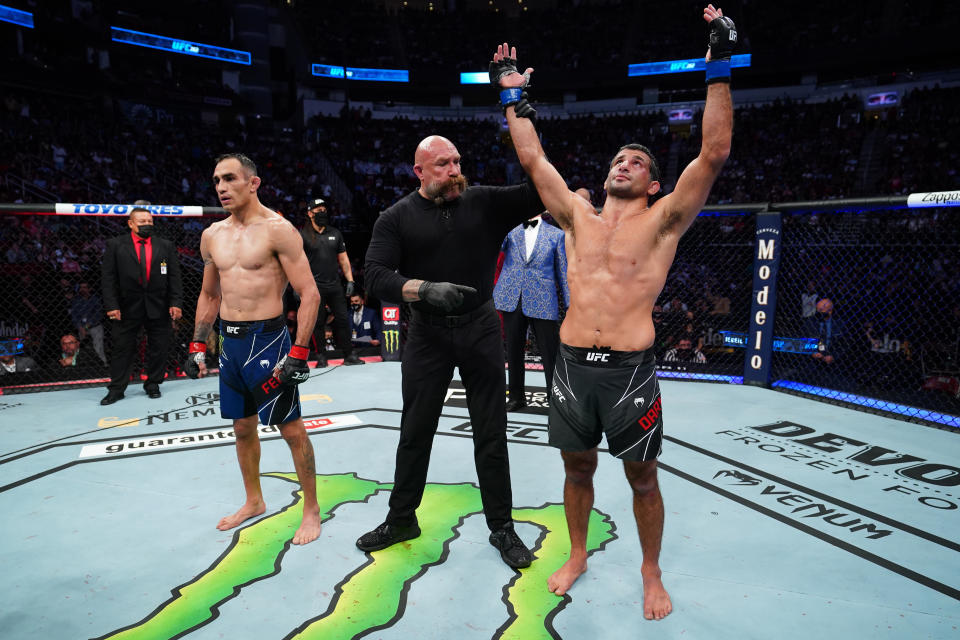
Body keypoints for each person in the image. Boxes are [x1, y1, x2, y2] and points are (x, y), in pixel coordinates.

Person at [492, 3, 734, 619]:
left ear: (654, 183)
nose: (621, 165)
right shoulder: (577, 218)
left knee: (643, 479)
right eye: (616, 161)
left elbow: (712, 153)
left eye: (636, 163)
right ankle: (577, 552)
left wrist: (719, 63)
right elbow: (532, 159)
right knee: (576, 469)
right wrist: (515, 96)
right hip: (572, 366)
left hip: (629, 370)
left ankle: (651, 571)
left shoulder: (663, 223)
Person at [359, 134, 544, 569]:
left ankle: (501, 526)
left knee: (491, 432)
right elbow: (375, 276)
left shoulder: (483, 201)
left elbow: (541, 189)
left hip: (480, 326)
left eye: (457, 161)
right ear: (419, 171)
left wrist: (528, 132)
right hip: (426, 332)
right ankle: (402, 519)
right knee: (415, 430)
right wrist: (422, 289)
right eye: (443, 164)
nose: (454, 170)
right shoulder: (396, 217)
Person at [183, 153, 323, 546]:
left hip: (270, 339)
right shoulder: (212, 235)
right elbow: (210, 294)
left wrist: (299, 352)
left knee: (291, 429)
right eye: (216, 181)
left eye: (230, 178)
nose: (222, 187)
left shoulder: (278, 230)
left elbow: (309, 293)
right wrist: (197, 342)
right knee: (242, 426)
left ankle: (310, 508)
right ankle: (254, 500)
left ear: (253, 182)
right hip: (230, 343)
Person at [100, 200, 183, 405]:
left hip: (159, 305)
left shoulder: (165, 245)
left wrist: (176, 302)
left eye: (149, 220)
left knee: (159, 347)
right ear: (130, 223)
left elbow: (175, 276)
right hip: (126, 306)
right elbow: (108, 278)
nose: (147, 223)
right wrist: (111, 306)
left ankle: (153, 384)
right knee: (122, 348)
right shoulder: (116, 245)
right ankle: (117, 388)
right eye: (142, 221)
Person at [494, 212, 569, 412]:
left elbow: (563, 271)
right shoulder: (510, 231)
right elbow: (493, 246)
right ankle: (516, 397)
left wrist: (570, 304)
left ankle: (555, 401)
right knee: (513, 351)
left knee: (550, 353)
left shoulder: (556, 235)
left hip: (543, 299)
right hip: (511, 296)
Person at [300, 198, 364, 366]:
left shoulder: (335, 233)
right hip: (315, 287)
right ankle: (321, 356)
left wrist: (350, 280)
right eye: (318, 210)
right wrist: (299, 285)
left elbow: (343, 259)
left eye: (324, 210)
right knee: (318, 323)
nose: (322, 213)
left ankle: (349, 355)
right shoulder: (303, 235)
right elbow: (298, 263)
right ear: (310, 213)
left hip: (335, 285)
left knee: (343, 320)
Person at [70, 281, 106, 362]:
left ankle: (103, 363)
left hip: (94, 326)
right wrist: (80, 327)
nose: (82, 289)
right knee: (81, 347)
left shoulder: (95, 299)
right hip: (81, 327)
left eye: (85, 287)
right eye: (81, 288)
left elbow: (98, 315)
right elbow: (74, 316)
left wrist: (86, 326)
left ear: (89, 289)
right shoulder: (76, 301)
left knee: (98, 347)